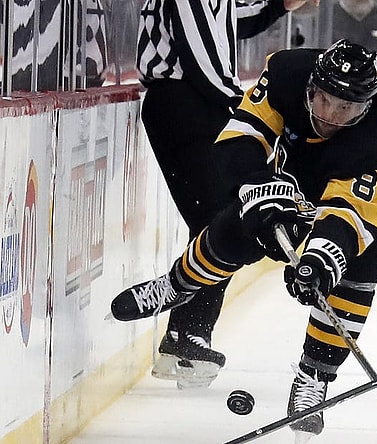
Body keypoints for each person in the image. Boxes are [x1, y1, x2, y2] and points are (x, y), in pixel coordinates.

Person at [112, 39, 377, 438]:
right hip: (314, 158)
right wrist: (261, 203)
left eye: (347, 108)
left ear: (366, 107)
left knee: (361, 262)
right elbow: (238, 142)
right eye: (325, 101)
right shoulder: (286, 73)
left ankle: (314, 376)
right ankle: (177, 285)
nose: (332, 117)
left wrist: (319, 261)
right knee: (245, 225)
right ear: (310, 89)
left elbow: (348, 219)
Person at [135, 0, 317, 389]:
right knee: (224, 220)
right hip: (184, 101)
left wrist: (279, 5)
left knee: (217, 219)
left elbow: (230, 22)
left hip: (194, 101)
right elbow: (202, 56)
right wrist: (246, 110)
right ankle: (190, 336)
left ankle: (185, 335)